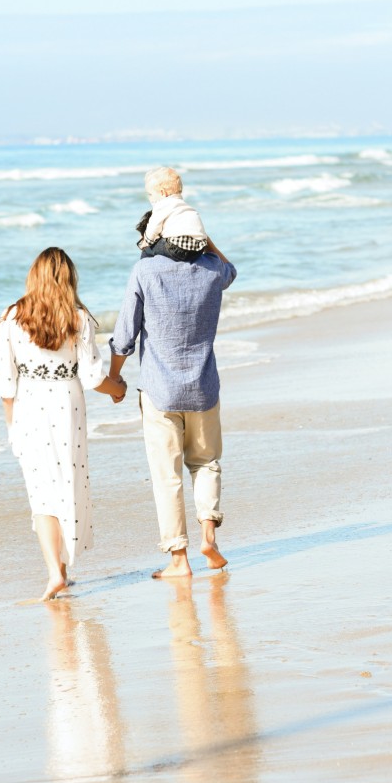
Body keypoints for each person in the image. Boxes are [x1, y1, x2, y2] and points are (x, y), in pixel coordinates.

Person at [109, 188, 237, 578]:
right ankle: (209, 537)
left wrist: (114, 376)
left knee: (167, 475)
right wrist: (205, 235)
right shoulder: (213, 271)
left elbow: (126, 334)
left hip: (160, 392)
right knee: (206, 463)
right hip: (203, 387)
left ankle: (178, 560)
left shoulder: (144, 271)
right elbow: (230, 267)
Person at [0, 247, 126, 601]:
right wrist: (118, 390)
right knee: (67, 483)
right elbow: (91, 377)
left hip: (29, 407)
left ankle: (56, 572)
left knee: (40, 493)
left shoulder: (10, 317)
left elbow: (7, 385)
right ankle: (61, 570)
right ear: (69, 277)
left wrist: (12, 429)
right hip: (66, 404)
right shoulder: (79, 317)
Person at [138, 166, 208, 263]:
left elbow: (153, 227)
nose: (150, 198)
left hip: (177, 248)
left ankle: (144, 270)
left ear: (162, 193)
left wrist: (146, 242)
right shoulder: (183, 206)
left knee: (147, 250)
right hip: (199, 249)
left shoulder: (162, 205)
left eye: (150, 194)